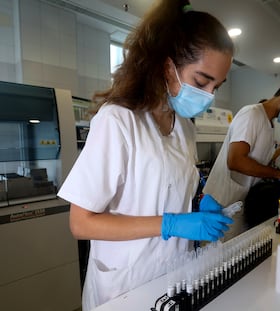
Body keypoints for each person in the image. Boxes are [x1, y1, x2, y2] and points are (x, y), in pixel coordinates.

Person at [57, 1, 235, 309]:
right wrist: (170, 224)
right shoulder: (118, 121)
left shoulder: (184, 128)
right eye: (202, 82)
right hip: (125, 283)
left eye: (216, 87)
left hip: (173, 275)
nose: (208, 96)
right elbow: (81, 223)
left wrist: (200, 199)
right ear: (168, 67)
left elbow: (170, 184)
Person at [203, 78, 280, 239]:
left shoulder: (268, 124)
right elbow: (236, 160)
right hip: (224, 203)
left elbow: (258, 165)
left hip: (243, 202)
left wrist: (278, 174)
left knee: (241, 254)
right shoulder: (252, 114)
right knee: (221, 259)